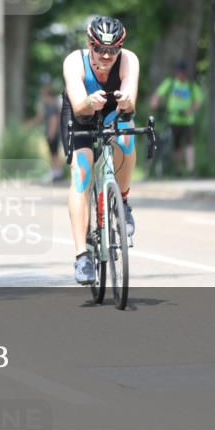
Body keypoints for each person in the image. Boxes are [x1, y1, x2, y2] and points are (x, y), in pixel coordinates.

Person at [61, 16, 140, 285]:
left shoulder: (128, 59)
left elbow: (130, 97)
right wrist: (88, 102)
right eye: (100, 49)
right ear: (90, 45)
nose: (107, 56)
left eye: (113, 50)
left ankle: (123, 202)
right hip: (81, 112)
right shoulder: (74, 61)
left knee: (128, 139)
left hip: (113, 112)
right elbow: (78, 103)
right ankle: (82, 255)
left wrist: (127, 99)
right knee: (82, 172)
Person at [150, 60, 203, 176]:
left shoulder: (191, 84)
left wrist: (191, 109)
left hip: (188, 120)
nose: (181, 75)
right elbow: (158, 94)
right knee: (177, 145)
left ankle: (190, 169)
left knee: (189, 143)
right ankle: (179, 169)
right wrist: (155, 101)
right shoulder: (171, 83)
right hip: (173, 119)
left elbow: (198, 100)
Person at [30, 78, 64, 183]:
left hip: (52, 131)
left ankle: (57, 172)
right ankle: (56, 171)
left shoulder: (50, 103)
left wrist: (51, 132)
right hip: (53, 130)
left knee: (54, 152)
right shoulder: (51, 102)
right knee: (53, 152)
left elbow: (54, 118)